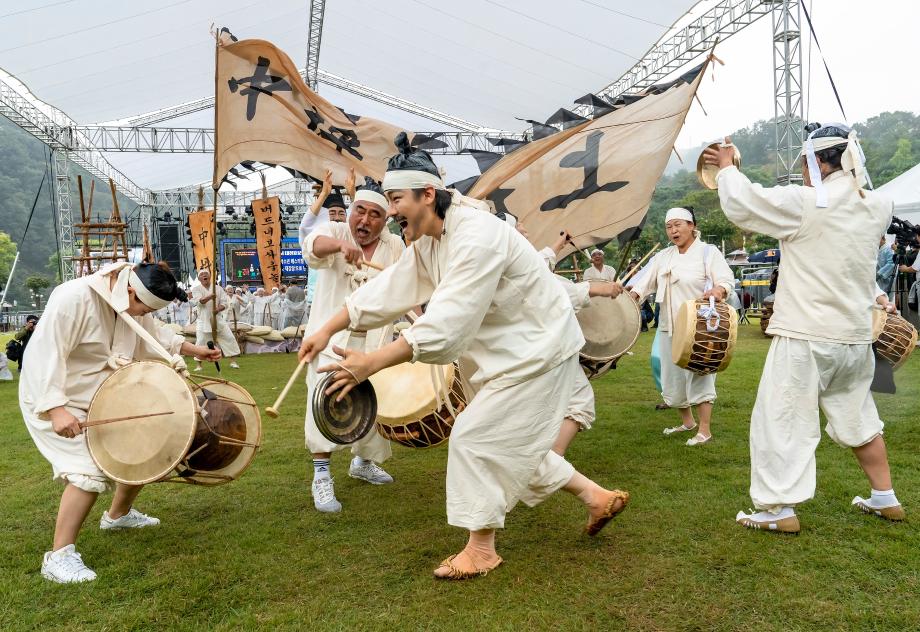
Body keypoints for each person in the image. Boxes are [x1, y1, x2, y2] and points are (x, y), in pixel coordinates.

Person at [299, 134, 628, 579]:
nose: (391, 211)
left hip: (539, 351)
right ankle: (596, 497)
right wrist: (325, 329)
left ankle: (482, 549)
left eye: (396, 199)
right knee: (515, 443)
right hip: (505, 356)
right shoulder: (431, 241)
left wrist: (370, 364)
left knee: (474, 437)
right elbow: (388, 288)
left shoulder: (477, 236)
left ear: (427, 194)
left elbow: (447, 325)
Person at [704, 123, 903, 534]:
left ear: (819, 162)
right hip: (853, 338)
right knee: (859, 416)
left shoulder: (808, 204)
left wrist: (726, 167)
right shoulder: (878, 206)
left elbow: (744, 203)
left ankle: (778, 510)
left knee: (781, 420)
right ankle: (885, 497)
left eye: (805, 163)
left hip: (807, 337)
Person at [18, 261, 221, 583]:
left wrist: (198, 350)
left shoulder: (131, 304)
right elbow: (45, 355)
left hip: (107, 394)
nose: (142, 315)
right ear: (130, 290)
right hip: (56, 396)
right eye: (142, 308)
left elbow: (154, 337)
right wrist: (56, 409)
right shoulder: (73, 297)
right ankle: (58, 556)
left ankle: (118, 516)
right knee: (87, 468)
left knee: (144, 446)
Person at [301, 177, 404, 513]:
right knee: (325, 400)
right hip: (328, 339)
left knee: (372, 402)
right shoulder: (335, 231)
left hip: (373, 342)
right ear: (351, 210)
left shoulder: (395, 247)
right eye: (360, 211)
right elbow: (312, 245)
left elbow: (406, 286)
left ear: (385, 219)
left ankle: (362, 461)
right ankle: (321, 475)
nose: (365, 220)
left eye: (375, 214)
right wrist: (339, 248)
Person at [629, 208, 734, 446]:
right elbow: (645, 281)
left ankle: (705, 430)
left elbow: (726, 279)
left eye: (678, 225)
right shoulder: (663, 256)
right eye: (669, 226)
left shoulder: (708, 252)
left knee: (700, 373)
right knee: (671, 375)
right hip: (668, 325)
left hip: (699, 325)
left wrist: (719, 289)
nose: (673, 231)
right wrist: (634, 293)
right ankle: (687, 422)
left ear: (691, 225)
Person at [534, 229, 625, 455]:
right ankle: (553, 458)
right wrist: (601, 288)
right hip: (548, 348)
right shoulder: (517, 262)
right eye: (519, 228)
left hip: (528, 348)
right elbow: (552, 287)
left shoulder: (503, 258)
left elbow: (541, 261)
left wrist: (559, 242)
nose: (525, 230)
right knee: (580, 401)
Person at [190, 268, 241, 370]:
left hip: (217, 319)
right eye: (202, 275)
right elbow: (200, 301)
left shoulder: (218, 288)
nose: (204, 276)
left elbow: (224, 303)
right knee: (200, 341)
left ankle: (233, 362)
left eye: (206, 274)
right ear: (199, 278)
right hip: (203, 319)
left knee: (228, 338)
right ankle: (199, 365)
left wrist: (217, 309)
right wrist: (210, 296)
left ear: (210, 276)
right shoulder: (196, 289)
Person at [876, 236, 896, 302]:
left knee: (887, 300)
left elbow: (891, 263)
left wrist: (879, 273)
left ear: (882, 238)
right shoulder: (877, 249)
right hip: (879, 280)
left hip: (888, 279)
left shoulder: (888, 248)